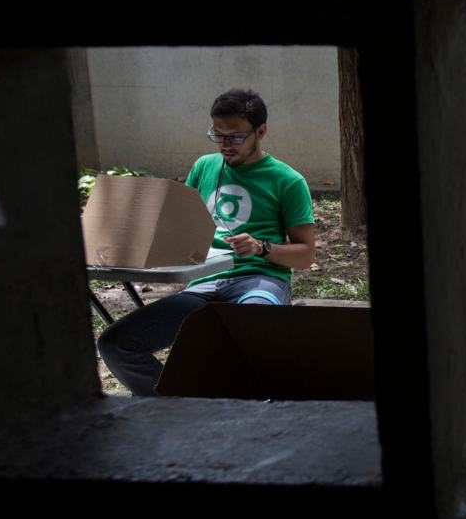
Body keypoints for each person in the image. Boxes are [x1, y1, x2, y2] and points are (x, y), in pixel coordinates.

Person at [97, 88, 316, 396]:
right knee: (115, 344)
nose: (225, 144)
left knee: (251, 336)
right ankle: (179, 406)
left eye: (235, 137)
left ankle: (252, 411)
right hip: (203, 283)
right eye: (218, 134)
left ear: (261, 131)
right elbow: (180, 227)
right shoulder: (204, 167)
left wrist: (262, 248)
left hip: (259, 280)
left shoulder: (288, 180)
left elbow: (305, 255)